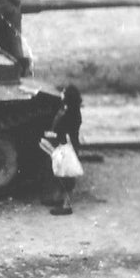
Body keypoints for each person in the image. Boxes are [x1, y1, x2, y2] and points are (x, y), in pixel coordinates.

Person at [46, 85, 83, 216]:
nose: (61, 94)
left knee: (67, 176)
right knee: (62, 174)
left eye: (64, 93)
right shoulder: (72, 110)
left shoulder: (70, 113)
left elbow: (62, 129)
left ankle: (66, 205)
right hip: (67, 146)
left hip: (67, 147)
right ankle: (58, 199)